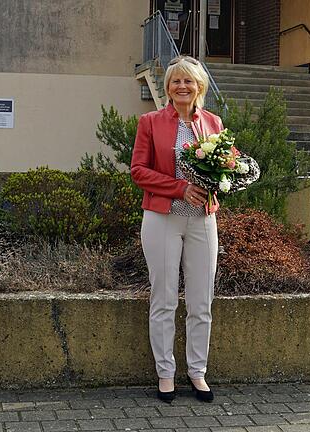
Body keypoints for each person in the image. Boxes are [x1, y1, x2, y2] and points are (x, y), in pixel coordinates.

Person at [130, 56, 223, 403]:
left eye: (189, 81)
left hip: (203, 219)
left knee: (202, 300)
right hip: (162, 218)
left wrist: (225, 179)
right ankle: (165, 373)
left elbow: (224, 164)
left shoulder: (213, 122)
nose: (182, 87)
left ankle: (197, 373)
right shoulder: (150, 122)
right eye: (175, 81)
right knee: (165, 298)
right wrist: (180, 187)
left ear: (199, 86)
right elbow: (138, 171)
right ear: (167, 87)